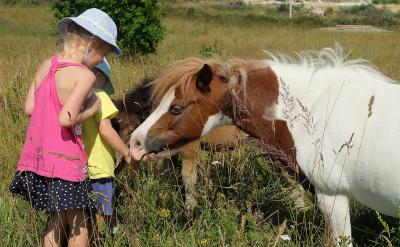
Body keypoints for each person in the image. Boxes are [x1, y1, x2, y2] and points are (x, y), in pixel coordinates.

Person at [9, 8, 122, 247]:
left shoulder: (46, 64)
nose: (102, 60)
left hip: (40, 161)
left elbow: (29, 108)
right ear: (92, 44)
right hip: (67, 163)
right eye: (104, 53)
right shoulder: (84, 76)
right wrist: (91, 108)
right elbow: (66, 118)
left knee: (56, 219)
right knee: (78, 222)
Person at [83, 58, 131, 236]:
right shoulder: (100, 96)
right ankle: (109, 237)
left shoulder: (71, 98)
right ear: (96, 75)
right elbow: (106, 130)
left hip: (76, 169)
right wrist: (125, 152)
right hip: (100, 167)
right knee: (103, 211)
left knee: (83, 213)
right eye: (104, 81)